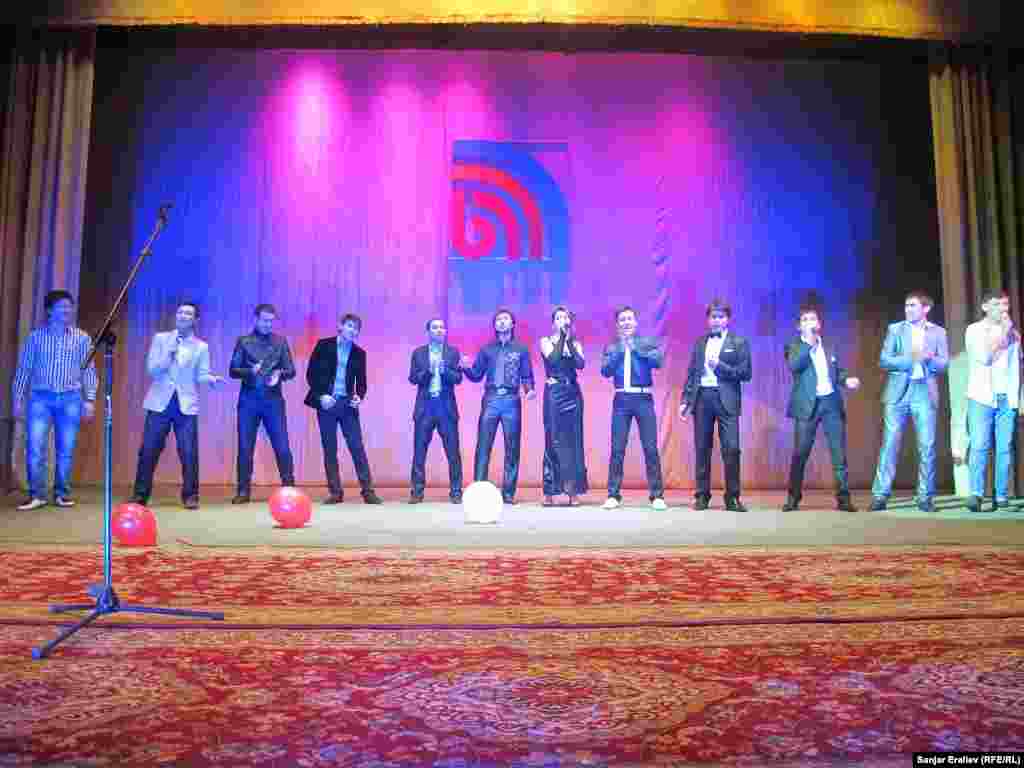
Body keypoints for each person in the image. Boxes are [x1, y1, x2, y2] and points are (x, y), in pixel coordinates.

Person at [128, 302, 223, 510]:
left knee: (189, 451)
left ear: (195, 320)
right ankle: (140, 494)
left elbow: (201, 374)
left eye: (188, 313)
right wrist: (168, 354)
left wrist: (210, 379)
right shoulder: (161, 339)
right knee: (148, 450)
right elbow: (152, 370)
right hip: (159, 402)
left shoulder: (201, 347)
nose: (183, 316)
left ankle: (191, 495)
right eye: (180, 312)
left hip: (185, 404)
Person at [11, 289, 97, 510]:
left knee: (66, 450)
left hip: (71, 398)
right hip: (40, 398)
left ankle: (61, 494)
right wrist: (17, 399)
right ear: (49, 310)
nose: (67, 310)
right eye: (61, 306)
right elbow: (24, 369)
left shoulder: (82, 338)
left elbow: (89, 370)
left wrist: (89, 399)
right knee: (35, 448)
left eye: (69, 306)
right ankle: (36, 494)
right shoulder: (36, 337)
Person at [869, 291, 949, 512]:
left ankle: (925, 496)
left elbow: (944, 363)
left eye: (913, 305)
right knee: (890, 444)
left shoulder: (938, 332)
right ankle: (880, 495)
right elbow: (884, 360)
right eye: (906, 305)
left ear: (926, 308)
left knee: (927, 446)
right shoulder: (895, 329)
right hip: (898, 391)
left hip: (924, 391)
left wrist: (930, 359)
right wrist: (911, 359)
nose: (908, 309)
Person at [781, 306, 860, 512]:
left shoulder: (830, 346)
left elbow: (837, 371)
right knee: (800, 453)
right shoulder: (793, 346)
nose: (810, 322)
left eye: (813, 319)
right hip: (807, 405)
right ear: (799, 327)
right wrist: (809, 344)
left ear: (819, 324)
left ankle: (843, 498)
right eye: (805, 320)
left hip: (831, 403)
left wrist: (846, 380)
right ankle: (793, 497)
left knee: (839, 454)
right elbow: (794, 366)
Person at [679, 299, 752, 512]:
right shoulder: (700, 342)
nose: (716, 320)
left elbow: (745, 373)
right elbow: (692, 373)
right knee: (702, 448)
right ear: (708, 319)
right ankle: (702, 495)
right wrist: (685, 400)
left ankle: (733, 497)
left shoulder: (739, 342)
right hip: (702, 397)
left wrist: (719, 366)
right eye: (713, 317)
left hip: (727, 400)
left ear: (727, 319)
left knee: (732, 448)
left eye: (720, 317)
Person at [303, 313, 383, 505]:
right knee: (330, 448)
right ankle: (335, 492)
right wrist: (321, 396)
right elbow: (311, 374)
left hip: (347, 404)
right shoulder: (324, 345)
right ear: (340, 326)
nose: (353, 330)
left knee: (357, 447)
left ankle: (368, 491)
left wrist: (359, 397)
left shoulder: (359, 353)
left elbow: (361, 383)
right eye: (349, 326)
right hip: (327, 403)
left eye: (356, 328)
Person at [461, 308, 535, 504]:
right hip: (491, 399)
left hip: (511, 400)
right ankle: (479, 490)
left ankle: (508, 494)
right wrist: (465, 368)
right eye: (498, 320)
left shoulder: (521, 349)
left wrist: (529, 390)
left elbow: (527, 375)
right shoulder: (487, 350)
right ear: (495, 325)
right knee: (483, 446)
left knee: (512, 447)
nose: (502, 322)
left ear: (512, 324)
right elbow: (476, 375)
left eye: (506, 319)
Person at [601, 306, 666, 510]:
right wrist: (621, 350)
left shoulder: (647, 342)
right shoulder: (612, 346)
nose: (626, 322)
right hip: (621, 399)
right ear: (617, 324)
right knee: (617, 448)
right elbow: (605, 371)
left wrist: (635, 348)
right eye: (622, 319)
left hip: (643, 398)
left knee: (650, 448)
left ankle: (657, 495)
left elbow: (658, 362)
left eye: (629, 319)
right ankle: (613, 495)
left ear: (635, 322)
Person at [229, 304, 296, 503]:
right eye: (264, 320)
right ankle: (243, 491)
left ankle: (289, 488)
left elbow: (291, 370)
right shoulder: (244, 341)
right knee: (245, 447)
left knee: (282, 446)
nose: (267, 324)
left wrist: (279, 374)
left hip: (273, 401)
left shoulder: (280, 342)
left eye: (271, 321)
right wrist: (251, 371)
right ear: (256, 319)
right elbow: (233, 370)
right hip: (249, 401)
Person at [964, 289, 1022, 512]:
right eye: (997, 304)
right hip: (982, 397)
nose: (1002, 309)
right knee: (979, 445)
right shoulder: (974, 330)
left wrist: (1018, 397)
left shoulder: (1014, 334)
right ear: (985, 307)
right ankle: (976, 494)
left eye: (1005, 305)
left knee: (1004, 448)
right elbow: (985, 357)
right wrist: (1003, 333)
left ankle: (1001, 495)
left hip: (1006, 397)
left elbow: (1018, 367)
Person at [408, 318, 464, 503]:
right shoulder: (418, 353)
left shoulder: (453, 352)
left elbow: (458, 378)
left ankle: (456, 492)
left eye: (442, 327)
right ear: (428, 332)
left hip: (445, 406)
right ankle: (417, 492)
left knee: (453, 452)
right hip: (425, 406)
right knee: (419, 451)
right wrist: (430, 371)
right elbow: (413, 378)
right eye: (435, 327)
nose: (439, 330)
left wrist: (444, 370)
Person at [540, 306, 588, 506]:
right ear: (553, 323)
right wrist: (561, 337)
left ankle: (572, 491)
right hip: (554, 393)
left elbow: (580, 365)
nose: (562, 320)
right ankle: (550, 491)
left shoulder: (575, 343)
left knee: (574, 441)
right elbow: (553, 359)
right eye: (558, 318)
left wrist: (568, 340)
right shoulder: (545, 341)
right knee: (553, 439)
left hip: (573, 393)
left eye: (565, 317)